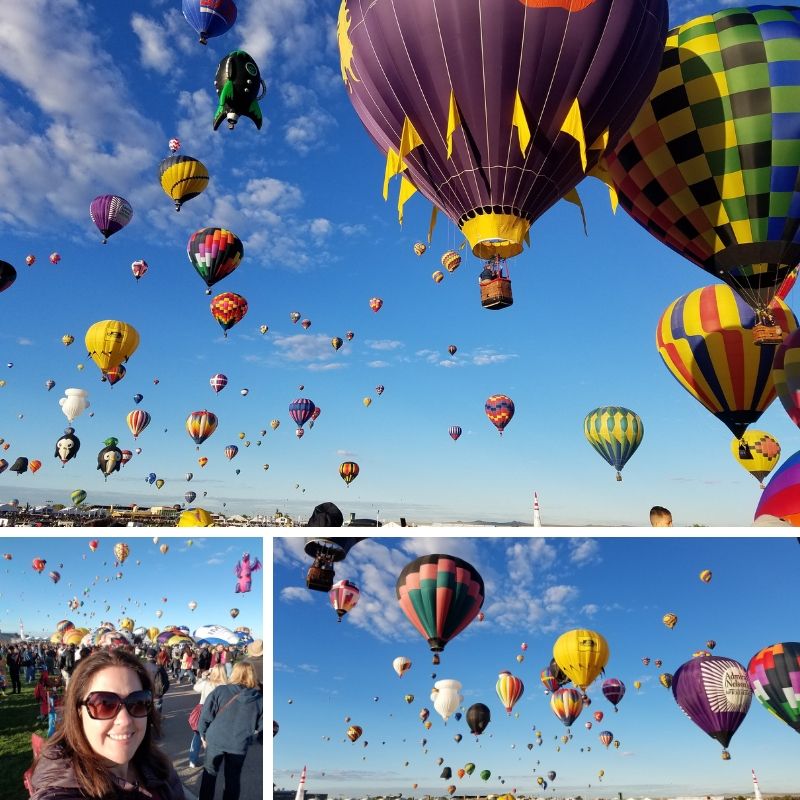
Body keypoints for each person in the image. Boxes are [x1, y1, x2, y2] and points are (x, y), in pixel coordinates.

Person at [27, 648, 185, 800]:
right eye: (105, 704)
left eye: (138, 702)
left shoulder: (159, 767)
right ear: (78, 711)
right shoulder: (60, 789)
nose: (125, 721)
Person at [197, 661, 263, 800]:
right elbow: (262, 726)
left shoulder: (221, 691)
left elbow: (205, 716)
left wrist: (203, 735)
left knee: (209, 775)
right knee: (232, 780)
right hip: (238, 744)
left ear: (234, 673)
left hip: (215, 739)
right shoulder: (259, 699)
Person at [189, 664, 228, 768]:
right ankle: (212, 760)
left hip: (204, 709)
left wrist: (203, 677)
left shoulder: (207, 683)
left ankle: (192, 760)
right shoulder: (226, 686)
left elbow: (195, 688)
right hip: (219, 713)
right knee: (215, 736)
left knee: (198, 734)